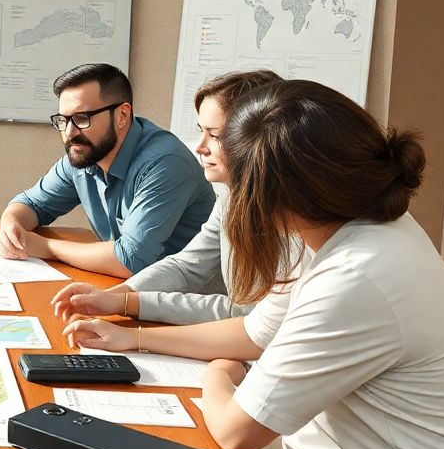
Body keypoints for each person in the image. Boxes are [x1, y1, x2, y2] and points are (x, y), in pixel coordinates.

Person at [63, 80, 444, 449]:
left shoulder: (357, 276)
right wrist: (134, 338)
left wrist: (219, 375)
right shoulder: (355, 230)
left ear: (275, 193)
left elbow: (235, 430)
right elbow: (254, 333)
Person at [51, 69, 283, 325]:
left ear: (260, 136)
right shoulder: (232, 196)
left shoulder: (291, 217)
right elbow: (187, 266)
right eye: (201, 131)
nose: (199, 146)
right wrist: (116, 296)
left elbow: (247, 314)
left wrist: (130, 315)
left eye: (214, 134)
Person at [0, 63, 214, 277]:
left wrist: (46, 247)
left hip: (190, 298)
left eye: (81, 119)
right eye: (63, 120)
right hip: (130, 289)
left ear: (122, 115)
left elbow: (130, 260)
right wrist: (11, 228)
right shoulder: (85, 155)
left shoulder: (166, 162)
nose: (69, 133)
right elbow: (31, 204)